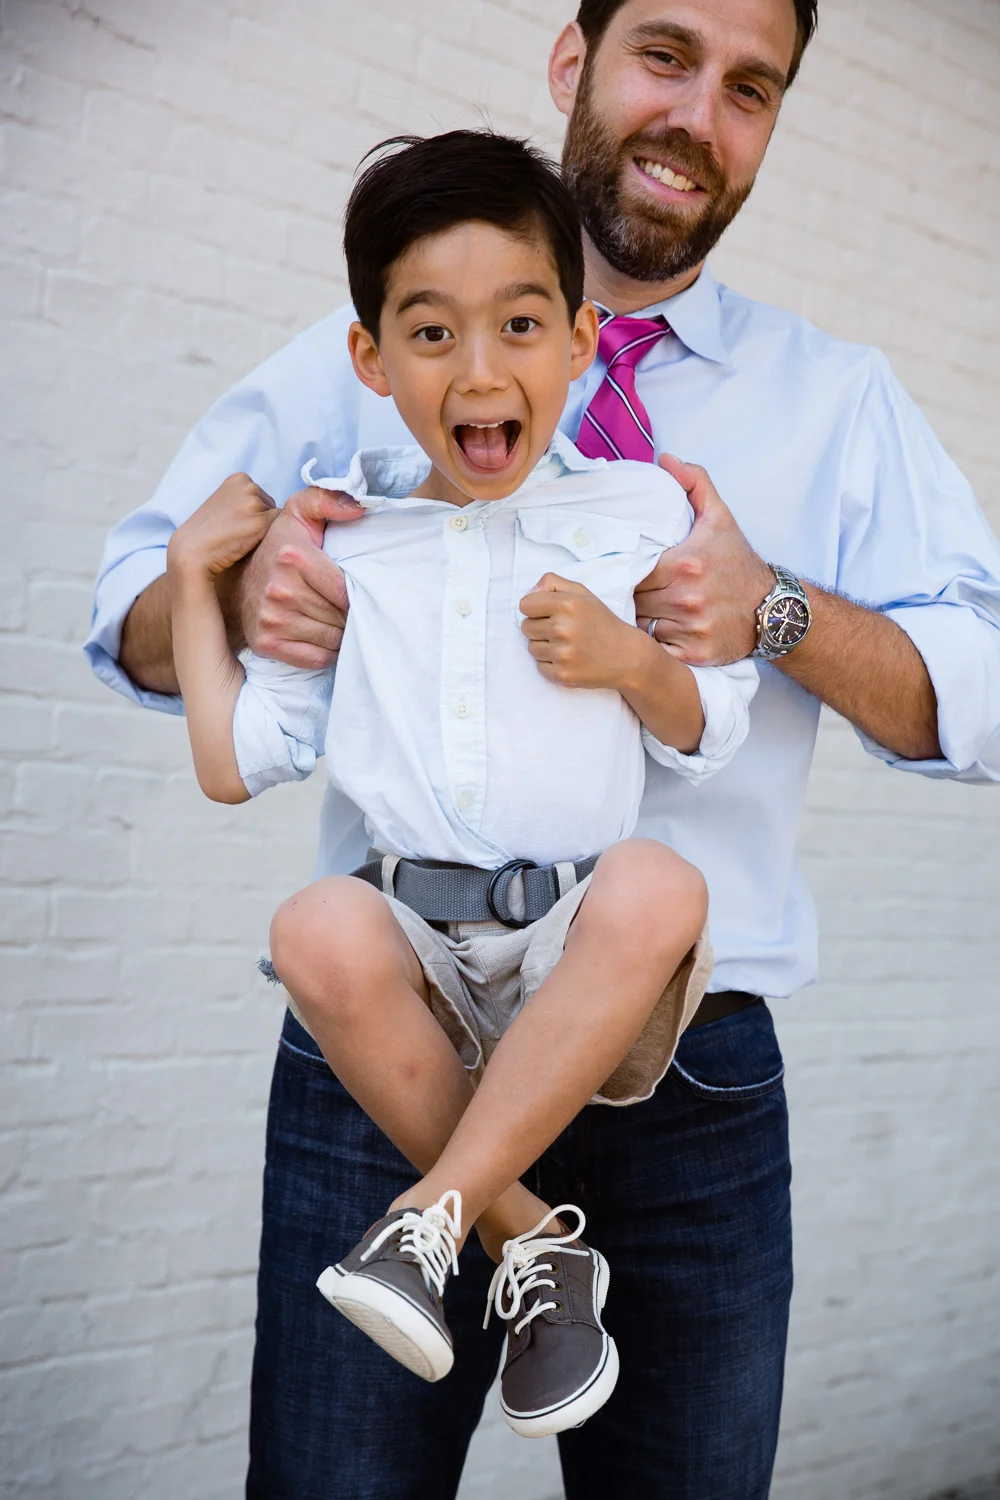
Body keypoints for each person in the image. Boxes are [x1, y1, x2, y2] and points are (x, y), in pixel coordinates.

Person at [85, 0, 1000, 1495]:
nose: (697, 116)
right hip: (390, 1038)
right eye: (665, 54)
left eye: (750, 86)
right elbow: (131, 607)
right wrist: (250, 596)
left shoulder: (837, 402)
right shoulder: (372, 341)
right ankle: (490, 1225)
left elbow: (982, 695)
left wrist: (770, 610)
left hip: (686, 1077)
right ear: (574, 64)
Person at [166, 129, 757, 1436]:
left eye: (521, 324)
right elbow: (234, 763)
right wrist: (190, 587)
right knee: (312, 920)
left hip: (573, 952)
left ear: (582, 339)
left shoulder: (636, 513)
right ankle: (528, 1239)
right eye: (432, 333)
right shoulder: (350, 543)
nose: (482, 370)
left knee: (662, 885)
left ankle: (433, 1215)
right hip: (414, 965)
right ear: (372, 358)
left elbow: (711, 726)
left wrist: (628, 661)